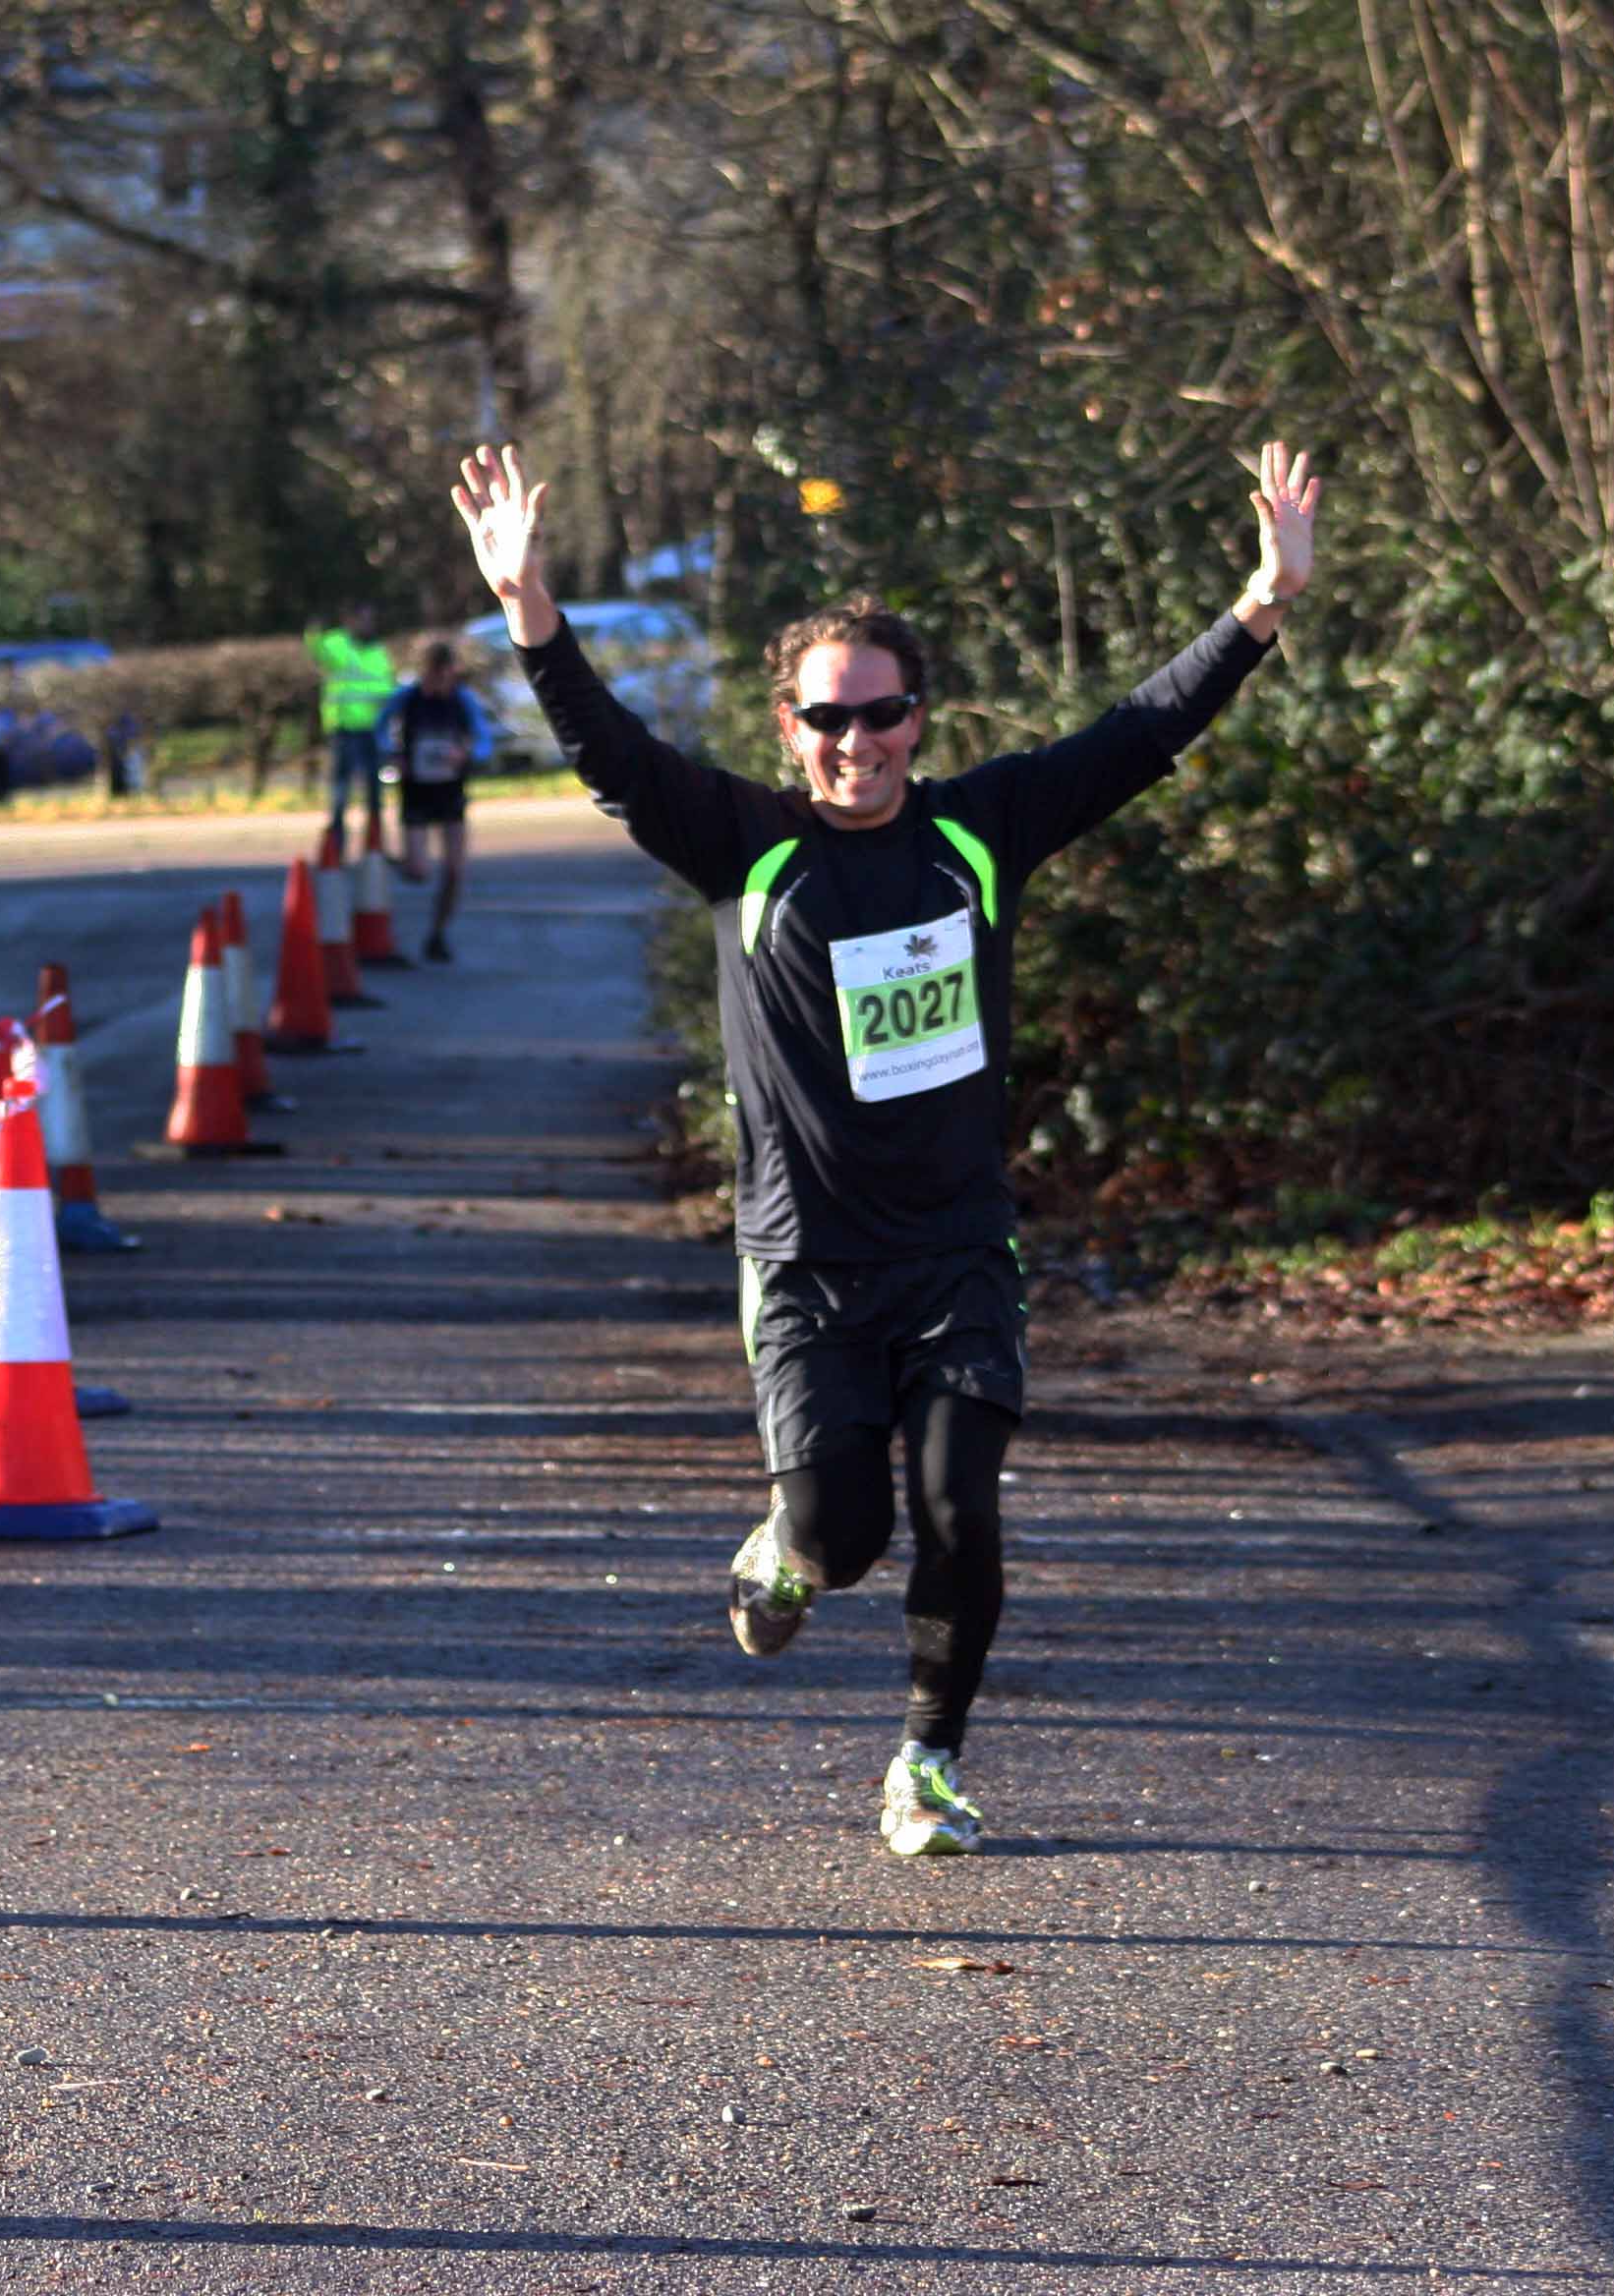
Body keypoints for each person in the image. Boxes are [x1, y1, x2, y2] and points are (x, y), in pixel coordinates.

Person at [452, 438, 1320, 1857]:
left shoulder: (980, 834)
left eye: (884, 716)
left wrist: (1263, 606)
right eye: (827, 721)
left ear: (922, 719)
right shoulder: (746, 846)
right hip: (805, 1261)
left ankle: (927, 1762)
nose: (857, 746)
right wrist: (529, 610)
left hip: (957, 1249)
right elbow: (605, 748)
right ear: (785, 724)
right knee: (848, 1535)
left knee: (958, 1511)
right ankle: (786, 1548)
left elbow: (1140, 731)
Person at [375, 638, 495, 960]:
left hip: (450, 790)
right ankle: (394, 861)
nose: (440, 683)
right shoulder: (406, 698)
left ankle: (438, 934)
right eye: (433, 676)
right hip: (416, 789)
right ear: (424, 672)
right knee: (419, 871)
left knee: (455, 870)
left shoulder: (463, 701)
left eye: (445, 676)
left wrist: (467, 753)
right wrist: (391, 755)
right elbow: (380, 727)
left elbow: (485, 740)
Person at [306, 602, 400, 852]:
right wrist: (314, 628)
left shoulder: (378, 650)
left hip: (371, 729)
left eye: (371, 619)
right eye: (364, 619)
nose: (369, 624)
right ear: (350, 620)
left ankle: (375, 845)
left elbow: (387, 685)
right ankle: (336, 847)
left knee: (374, 792)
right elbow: (316, 649)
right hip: (344, 729)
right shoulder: (336, 644)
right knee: (340, 791)